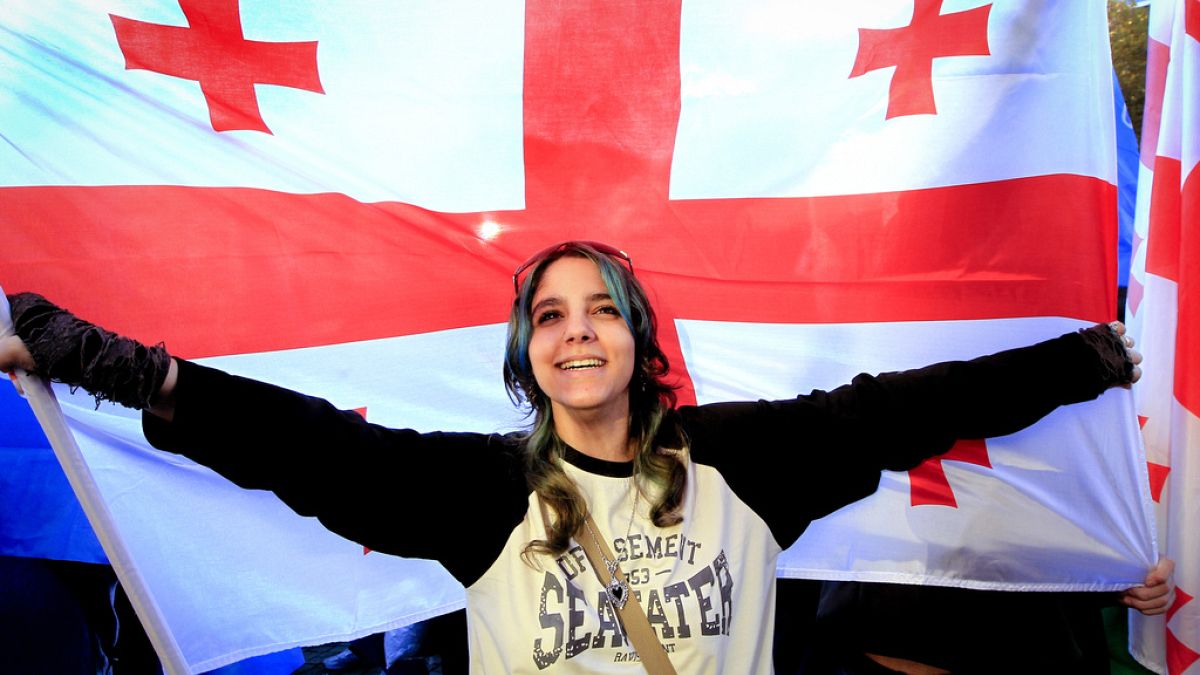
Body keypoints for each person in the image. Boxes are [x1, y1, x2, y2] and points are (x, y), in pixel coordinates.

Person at [0, 241, 1170, 673]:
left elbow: (906, 408)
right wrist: (111, 362)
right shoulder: (477, 493)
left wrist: (1099, 357)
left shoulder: (743, 465)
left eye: (599, 309)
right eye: (549, 315)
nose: (575, 331)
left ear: (638, 339)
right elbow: (299, 446)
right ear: (527, 356)